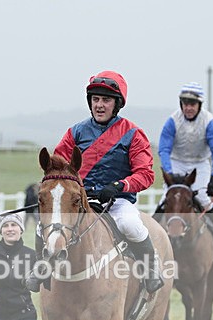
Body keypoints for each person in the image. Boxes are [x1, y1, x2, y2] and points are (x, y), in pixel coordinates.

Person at [26, 70, 164, 294]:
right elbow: (57, 166)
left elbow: (145, 174)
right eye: (96, 99)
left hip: (116, 202)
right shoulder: (75, 132)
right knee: (46, 227)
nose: (99, 105)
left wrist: (119, 186)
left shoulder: (133, 134)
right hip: (79, 200)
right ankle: (41, 267)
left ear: (117, 104)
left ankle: (151, 269)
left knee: (131, 224)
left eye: (106, 100)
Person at [158, 81, 213, 248]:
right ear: (180, 104)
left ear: (199, 105)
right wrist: (169, 172)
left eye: (192, 104)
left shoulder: (209, 121)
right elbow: (164, 149)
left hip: (200, 164)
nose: (188, 108)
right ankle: (153, 236)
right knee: (166, 198)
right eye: (185, 104)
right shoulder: (172, 121)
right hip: (176, 163)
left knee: (202, 197)